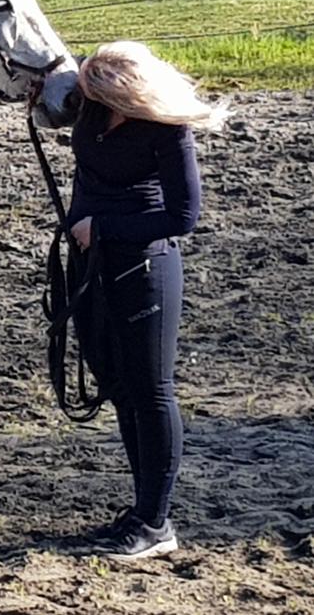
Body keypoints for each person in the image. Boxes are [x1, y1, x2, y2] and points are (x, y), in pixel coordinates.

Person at [66, 40, 228, 561]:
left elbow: (182, 217)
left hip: (144, 267)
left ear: (126, 91)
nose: (85, 92)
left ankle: (156, 521)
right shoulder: (91, 108)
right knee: (116, 383)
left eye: (96, 84)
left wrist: (104, 228)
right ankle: (142, 511)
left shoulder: (167, 130)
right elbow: (54, 100)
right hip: (90, 262)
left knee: (150, 390)